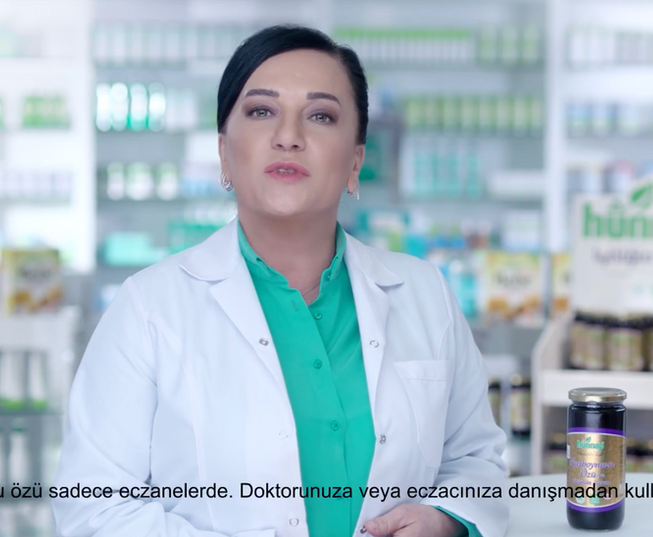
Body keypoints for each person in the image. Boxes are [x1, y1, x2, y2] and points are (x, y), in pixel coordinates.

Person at [52, 25, 508, 537]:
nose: (288, 136)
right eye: (261, 111)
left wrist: (446, 520)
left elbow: (477, 459)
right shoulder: (148, 308)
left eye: (320, 116)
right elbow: (94, 507)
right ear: (224, 152)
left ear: (355, 161)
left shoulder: (424, 294)